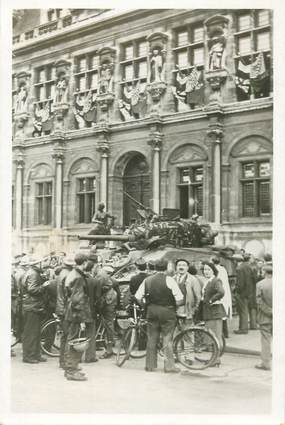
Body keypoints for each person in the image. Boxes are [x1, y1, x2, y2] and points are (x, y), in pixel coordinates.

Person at [135, 259, 184, 373]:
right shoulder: (170, 280)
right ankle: (169, 366)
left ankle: (150, 365)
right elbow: (180, 300)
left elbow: (137, 297)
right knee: (167, 338)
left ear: (155, 268)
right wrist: (172, 304)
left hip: (151, 311)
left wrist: (146, 306)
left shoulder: (147, 280)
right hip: (167, 311)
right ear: (167, 268)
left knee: (152, 338)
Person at [63, 253, 93, 381]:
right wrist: (81, 319)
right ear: (85, 262)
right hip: (77, 314)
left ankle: (70, 367)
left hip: (72, 312)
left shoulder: (73, 274)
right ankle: (72, 370)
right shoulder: (78, 277)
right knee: (76, 341)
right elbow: (78, 300)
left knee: (72, 340)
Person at [21, 256, 48, 364]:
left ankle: (35, 354)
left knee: (34, 331)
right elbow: (32, 289)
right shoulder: (33, 274)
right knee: (32, 332)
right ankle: (29, 356)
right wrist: (44, 286)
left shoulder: (30, 272)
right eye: (41, 263)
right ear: (37, 264)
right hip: (32, 306)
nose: (43, 265)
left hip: (31, 306)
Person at [201, 261, 225, 366]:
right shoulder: (209, 281)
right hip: (210, 312)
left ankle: (216, 360)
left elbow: (221, 292)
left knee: (215, 336)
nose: (206, 272)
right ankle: (214, 359)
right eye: (205, 269)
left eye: (208, 270)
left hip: (214, 312)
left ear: (213, 271)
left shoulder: (216, 280)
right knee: (212, 336)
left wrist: (211, 300)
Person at [55, 255, 74, 369]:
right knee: (68, 336)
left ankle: (63, 360)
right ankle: (66, 361)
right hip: (66, 308)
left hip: (61, 307)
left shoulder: (62, 273)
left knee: (65, 336)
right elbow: (69, 294)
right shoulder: (68, 275)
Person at [95, 265, 118, 359]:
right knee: (106, 323)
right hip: (107, 301)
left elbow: (97, 291)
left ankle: (109, 350)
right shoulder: (101, 274)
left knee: (109, 324)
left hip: (108, 302)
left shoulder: (100, 275)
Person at [174, 259, 201, 327]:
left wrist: (194, 309)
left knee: (188, 332)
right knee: (176, 333)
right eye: (179, 265)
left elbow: (198, 296)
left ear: (187, 268)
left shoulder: (193, 280)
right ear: (176, 267)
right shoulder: (172, 279)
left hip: (188, 310)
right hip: (175, 310)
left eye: (184, 265)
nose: (181, 267)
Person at [255, 263, 272, 371]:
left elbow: (259, 302)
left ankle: (265, 363)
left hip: (265, 317)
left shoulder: (260, 284)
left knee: (266, 340)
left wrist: (270, 312)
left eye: (261, 271)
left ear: (265, 273)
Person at [234, 253, 256, 334]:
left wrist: (237, 291)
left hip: (241, 293)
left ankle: (243, 328)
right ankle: (243, 328)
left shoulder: (239, 268)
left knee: (242, 311)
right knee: (245, 310)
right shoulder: (250, 267)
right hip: (249, 292)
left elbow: (240, 283)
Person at [211, 256, 232, 338]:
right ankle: (225, 333)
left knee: (220, 312)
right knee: (224, 312)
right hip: (225, 291)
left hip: (220, 291)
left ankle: (222, 333)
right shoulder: (222, 269)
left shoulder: (215, 270)